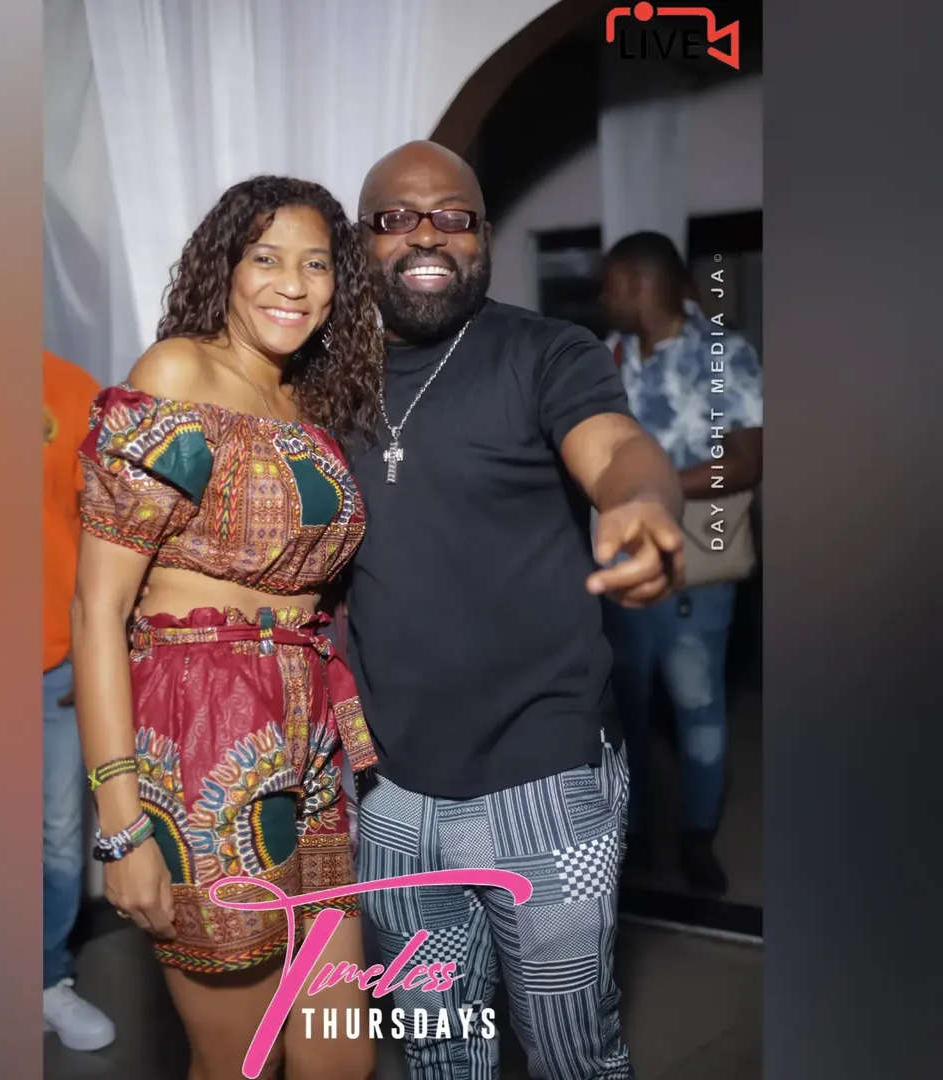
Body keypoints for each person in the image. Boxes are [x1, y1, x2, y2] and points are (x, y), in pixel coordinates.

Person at [343, 141, 686, 1080]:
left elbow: (615, 447)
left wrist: (641, 501)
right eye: (396, 218)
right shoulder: (324, 380)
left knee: (572, 1054)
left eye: (453, 217)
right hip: (390, 794)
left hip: (544, 784)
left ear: (484, 237)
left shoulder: (546, 351)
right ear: (360, 243)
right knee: (437, 1051)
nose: (426, 235)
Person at [71, 177, 382, 1080]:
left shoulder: (307, 402)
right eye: (267, 258)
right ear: (227, 269)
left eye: (316, 265)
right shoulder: (178, 373)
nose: (293, 284)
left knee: (340, 1058)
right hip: (202, 739)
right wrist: (122, 829)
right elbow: (98, 609)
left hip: (306, 738)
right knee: (241, 1058)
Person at [598, 231, 763, 895]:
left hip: (695, 564)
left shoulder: (724, 354)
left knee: (698, 707)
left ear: (636, 286)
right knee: (625, 715)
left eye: (610, 283)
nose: (602, 296)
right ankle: (637, 838)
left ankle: (698, 837)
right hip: (618, 568)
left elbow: (745, 463)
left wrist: (653, 488)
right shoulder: (608, 356)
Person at [42, 349, 116, 1051]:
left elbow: (103, 530)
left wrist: (89, 651)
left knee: (60, 838)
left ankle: (45, 981)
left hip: (49, 665)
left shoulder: (69, 389)